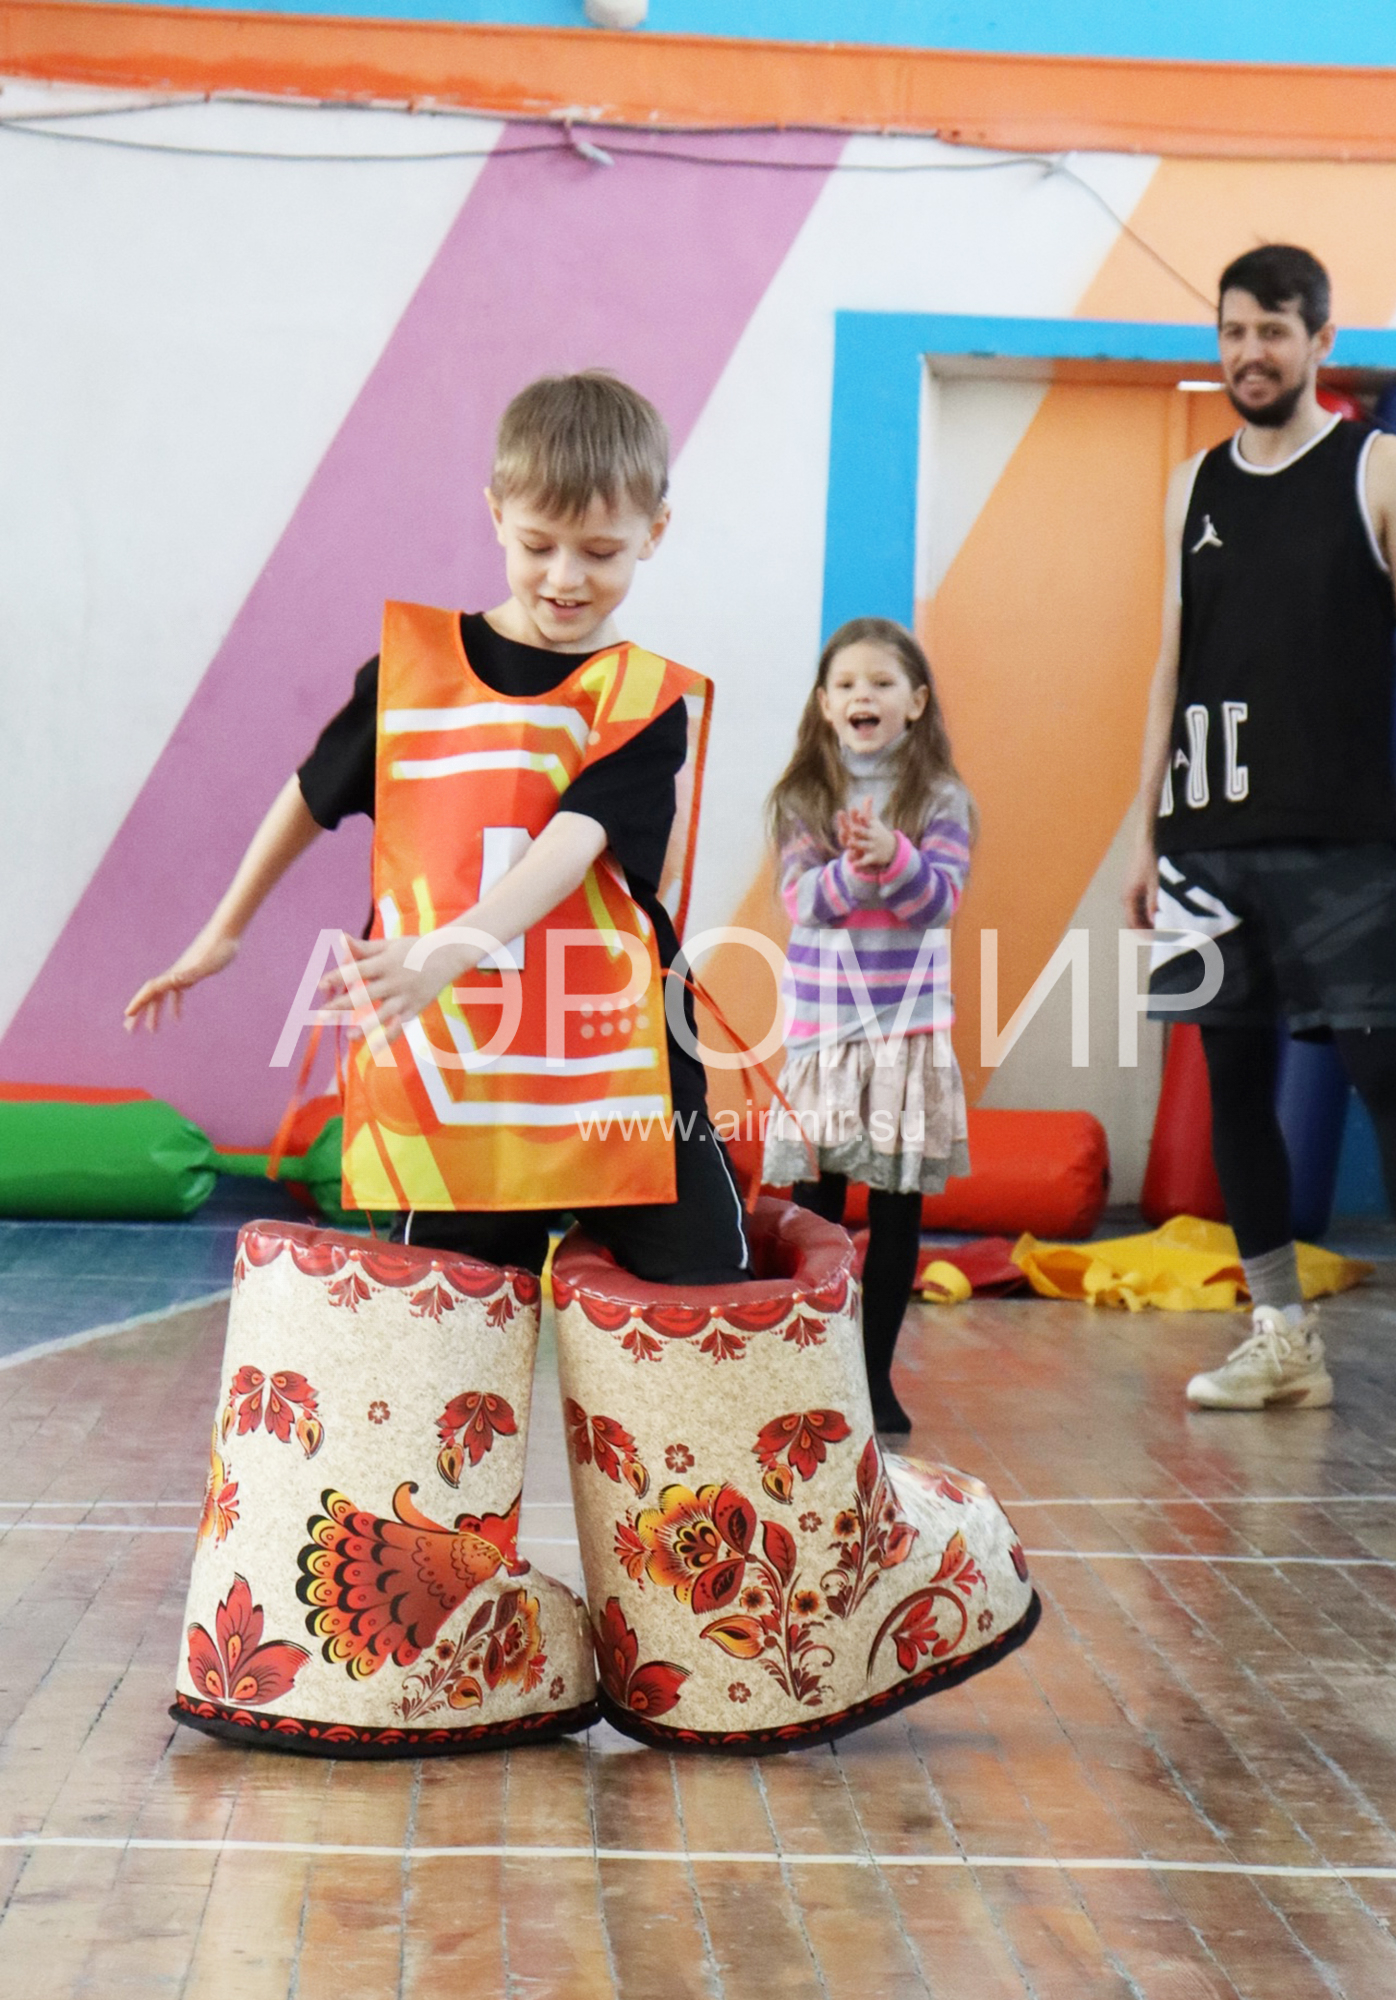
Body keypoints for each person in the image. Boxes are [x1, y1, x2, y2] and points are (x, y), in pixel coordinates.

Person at [126, 370, 750, 1288]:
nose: (565, 577)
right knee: (448, 1316)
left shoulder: (642, 699)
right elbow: (311, 792)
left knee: (704, 1290)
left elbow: (574, 841)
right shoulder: (412, 677)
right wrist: (224, 931)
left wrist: (447, 948)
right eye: (537, 545)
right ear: (496, 513)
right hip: (461, 1061)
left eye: (600, 551)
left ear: (654, 533)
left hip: (620, 1054)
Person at [1123, 244, 1396, 1430]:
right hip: (1205, 841)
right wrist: (1144, 833)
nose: (1251, 352)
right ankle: (1283, 1335)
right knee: (1233, 1084)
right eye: (1234, 331)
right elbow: (1172, 664)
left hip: (1337, 837)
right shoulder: (1193, 485)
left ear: (1320, 340)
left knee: (1385, 1072)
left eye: (1274, 331)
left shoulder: (1383, 468)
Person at [763, 617, 973, 1434]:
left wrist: (897, 855)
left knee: (895, 1211)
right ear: (825, 704)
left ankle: (875, 1375)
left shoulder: (940, 799)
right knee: (816, 1205)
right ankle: (811, 1373)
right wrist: (855, 868)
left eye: (882, 683)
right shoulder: (804, 799)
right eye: (848, 684)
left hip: (905, 1034)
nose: (864, 696)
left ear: (915, 702)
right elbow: (802, 902)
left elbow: (938, 903)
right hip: (826, 1034)